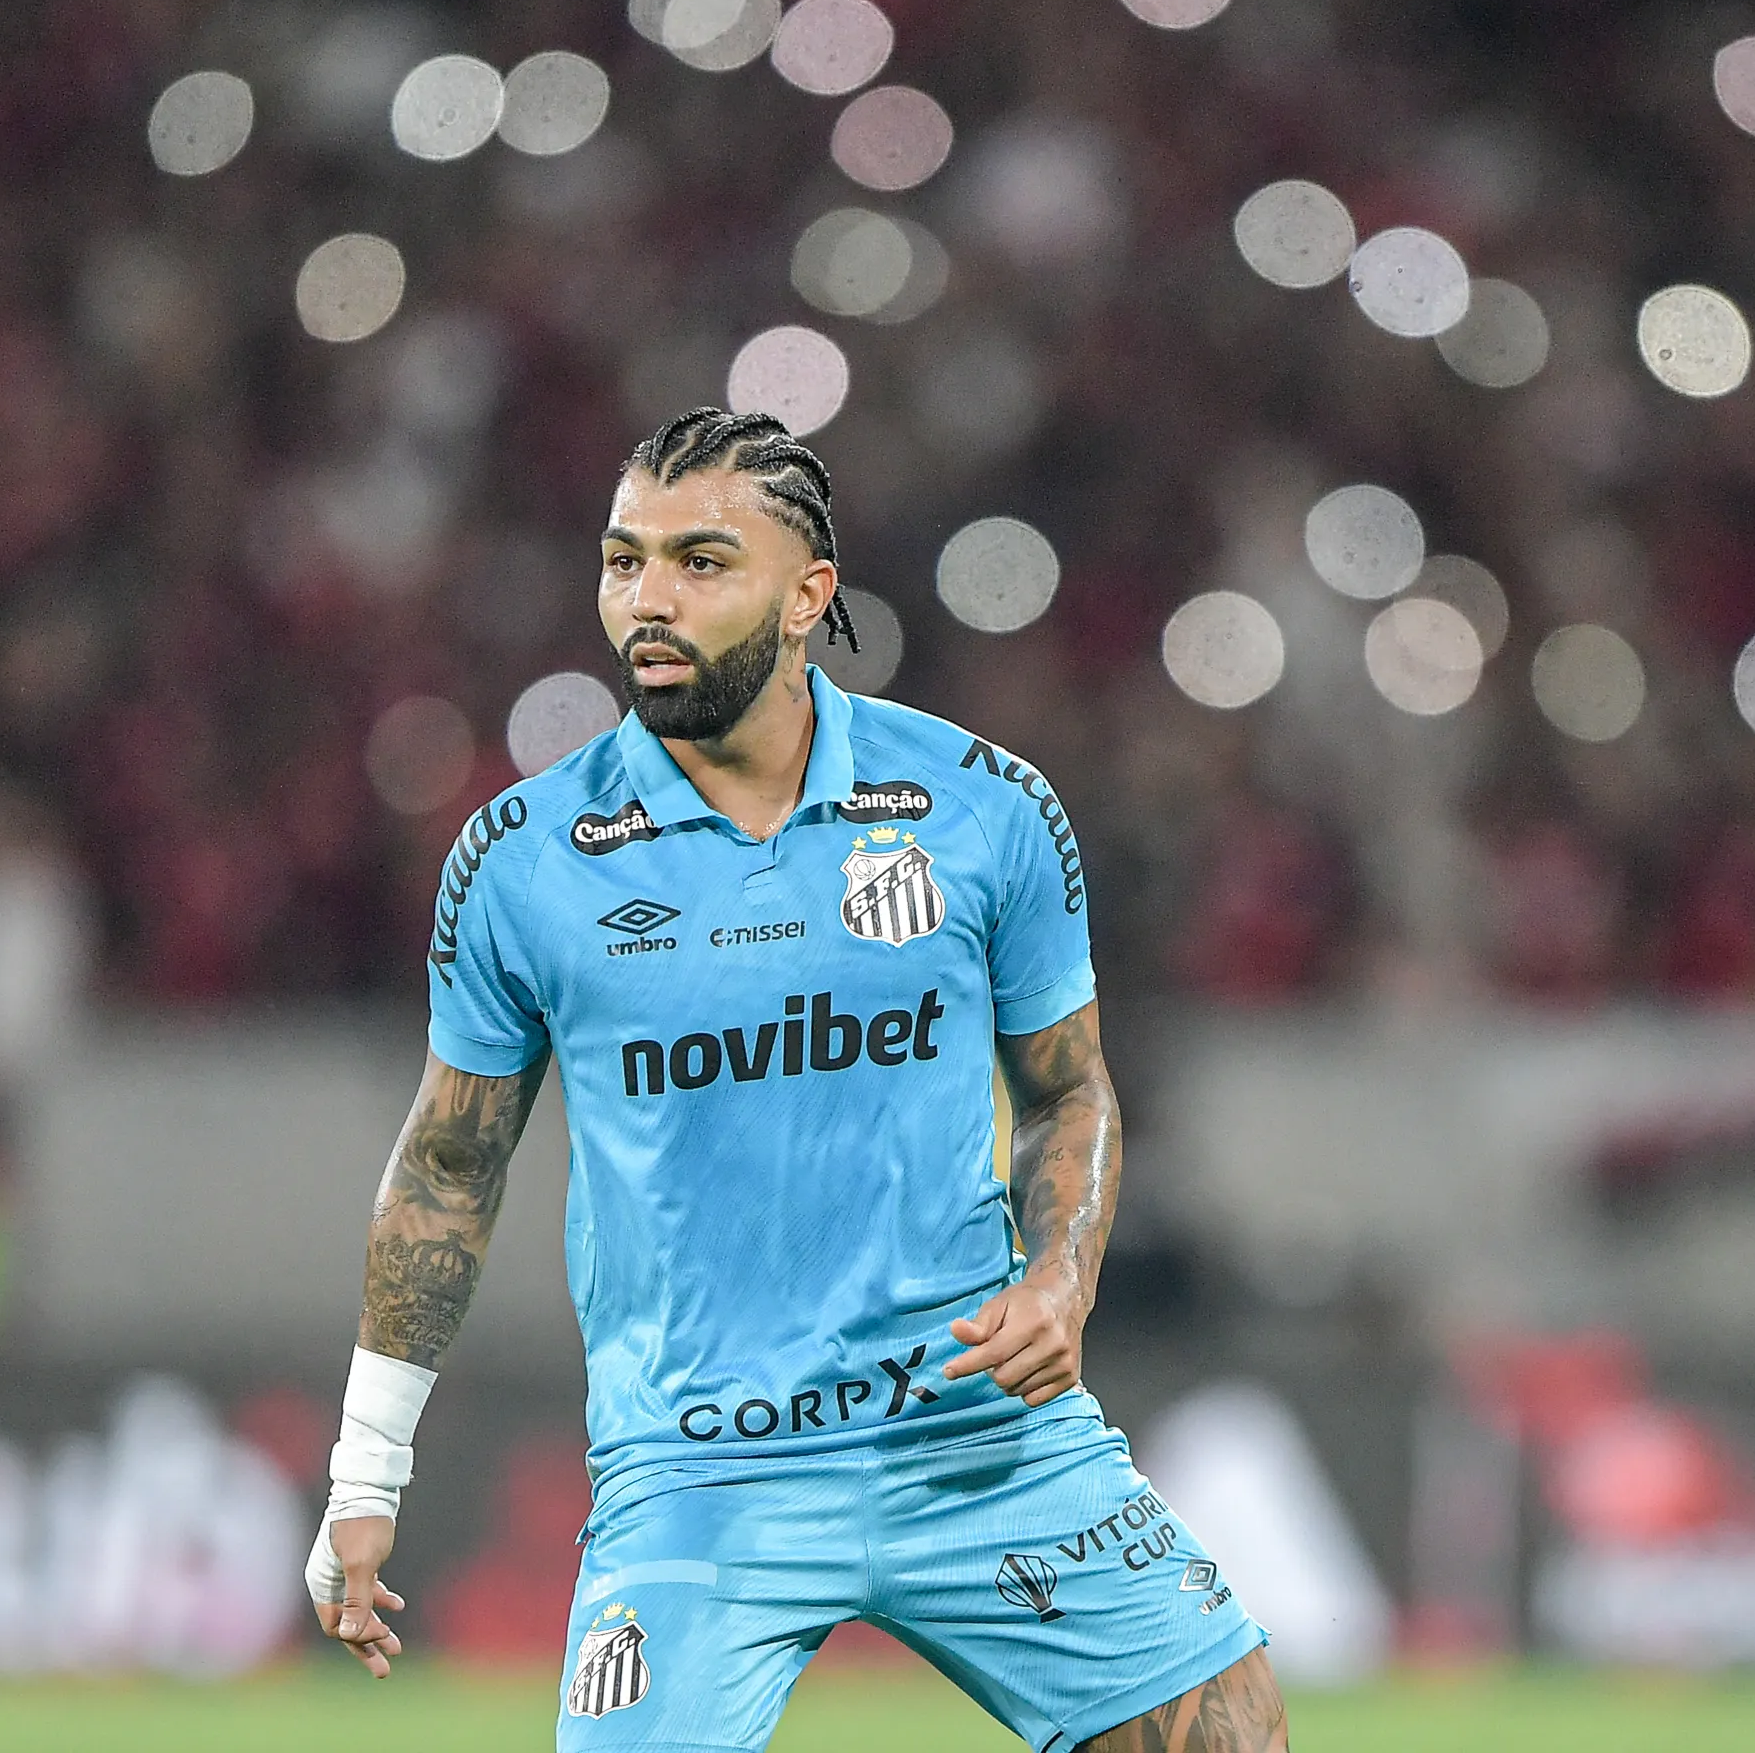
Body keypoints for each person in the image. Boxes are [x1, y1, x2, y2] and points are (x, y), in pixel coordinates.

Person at [305, 409, 1288, 1752]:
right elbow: (447, 1168)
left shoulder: (982, 809)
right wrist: (368, 1465)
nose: (648, 601)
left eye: (701, 562)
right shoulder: (526, 860)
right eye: (622, 560)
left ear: (808, 592)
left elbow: (1070, 1091)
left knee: (1227, 1734)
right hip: (701, 1468)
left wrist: (1063, 1275)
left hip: (975, 1438)